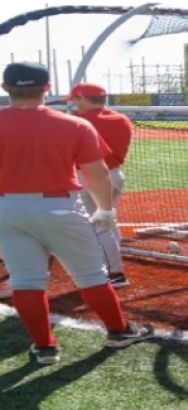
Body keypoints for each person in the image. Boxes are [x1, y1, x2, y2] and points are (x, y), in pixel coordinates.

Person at [0, 61, 153, 365]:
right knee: (91, 275)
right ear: (47, 88)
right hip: (60, 206)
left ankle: (45, 347)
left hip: (6, 208)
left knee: (25, 280)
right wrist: (106, 210)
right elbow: (97, 175)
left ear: (6, 88)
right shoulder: (75, 124)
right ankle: (119, 332)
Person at [63, 83, 133, 289]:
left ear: (83, 99)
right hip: (114, 175)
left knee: (97, 225)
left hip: (88, 177)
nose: (74, 105)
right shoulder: (121, 119)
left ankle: (114, 272)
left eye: (75, 100)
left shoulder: (78, 122)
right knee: (107, 221)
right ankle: (113, 267)